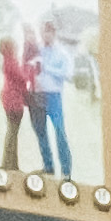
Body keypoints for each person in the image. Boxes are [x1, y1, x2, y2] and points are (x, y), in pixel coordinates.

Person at [28, 18, 76, 179]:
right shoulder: (37, 50)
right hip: (38, 96)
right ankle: (48, 167)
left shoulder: (62, 53)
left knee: (59, 132)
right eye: (42, 31)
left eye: (48, 32)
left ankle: (66, 172)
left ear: (53, 33)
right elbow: (29, 68)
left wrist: (48, 69)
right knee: (40, 132)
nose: (45, 35)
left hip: (54, 96)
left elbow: (68, 75)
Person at [0, 23, 35, 172]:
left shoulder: (8, 62)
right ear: (11, 48)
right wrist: (30, 69)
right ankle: (9, 164)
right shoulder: (11, 63)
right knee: (12, 133)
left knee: (12, 132)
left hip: (9, 100)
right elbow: (23, 78)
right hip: (14, 102)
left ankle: (11, 163)